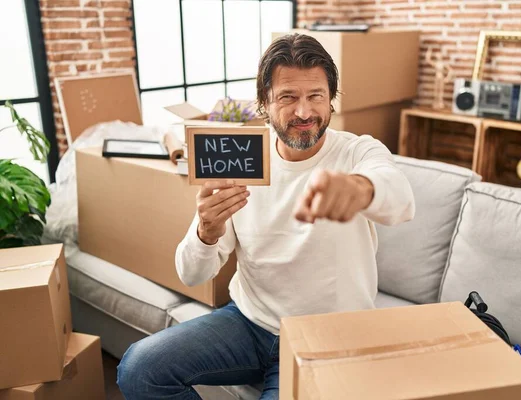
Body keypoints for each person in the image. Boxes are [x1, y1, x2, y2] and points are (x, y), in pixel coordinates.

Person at [117, 33, 415, 400]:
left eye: (315, 97)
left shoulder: (358, 153)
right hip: (248, 322)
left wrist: (359, 189)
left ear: (331, 100)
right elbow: (192, 273)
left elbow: (401, 199)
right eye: (288, 98)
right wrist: (206, 230)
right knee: (139, 369)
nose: (304, 112)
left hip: (325, 337)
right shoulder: (244, 159)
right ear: (264, 105)